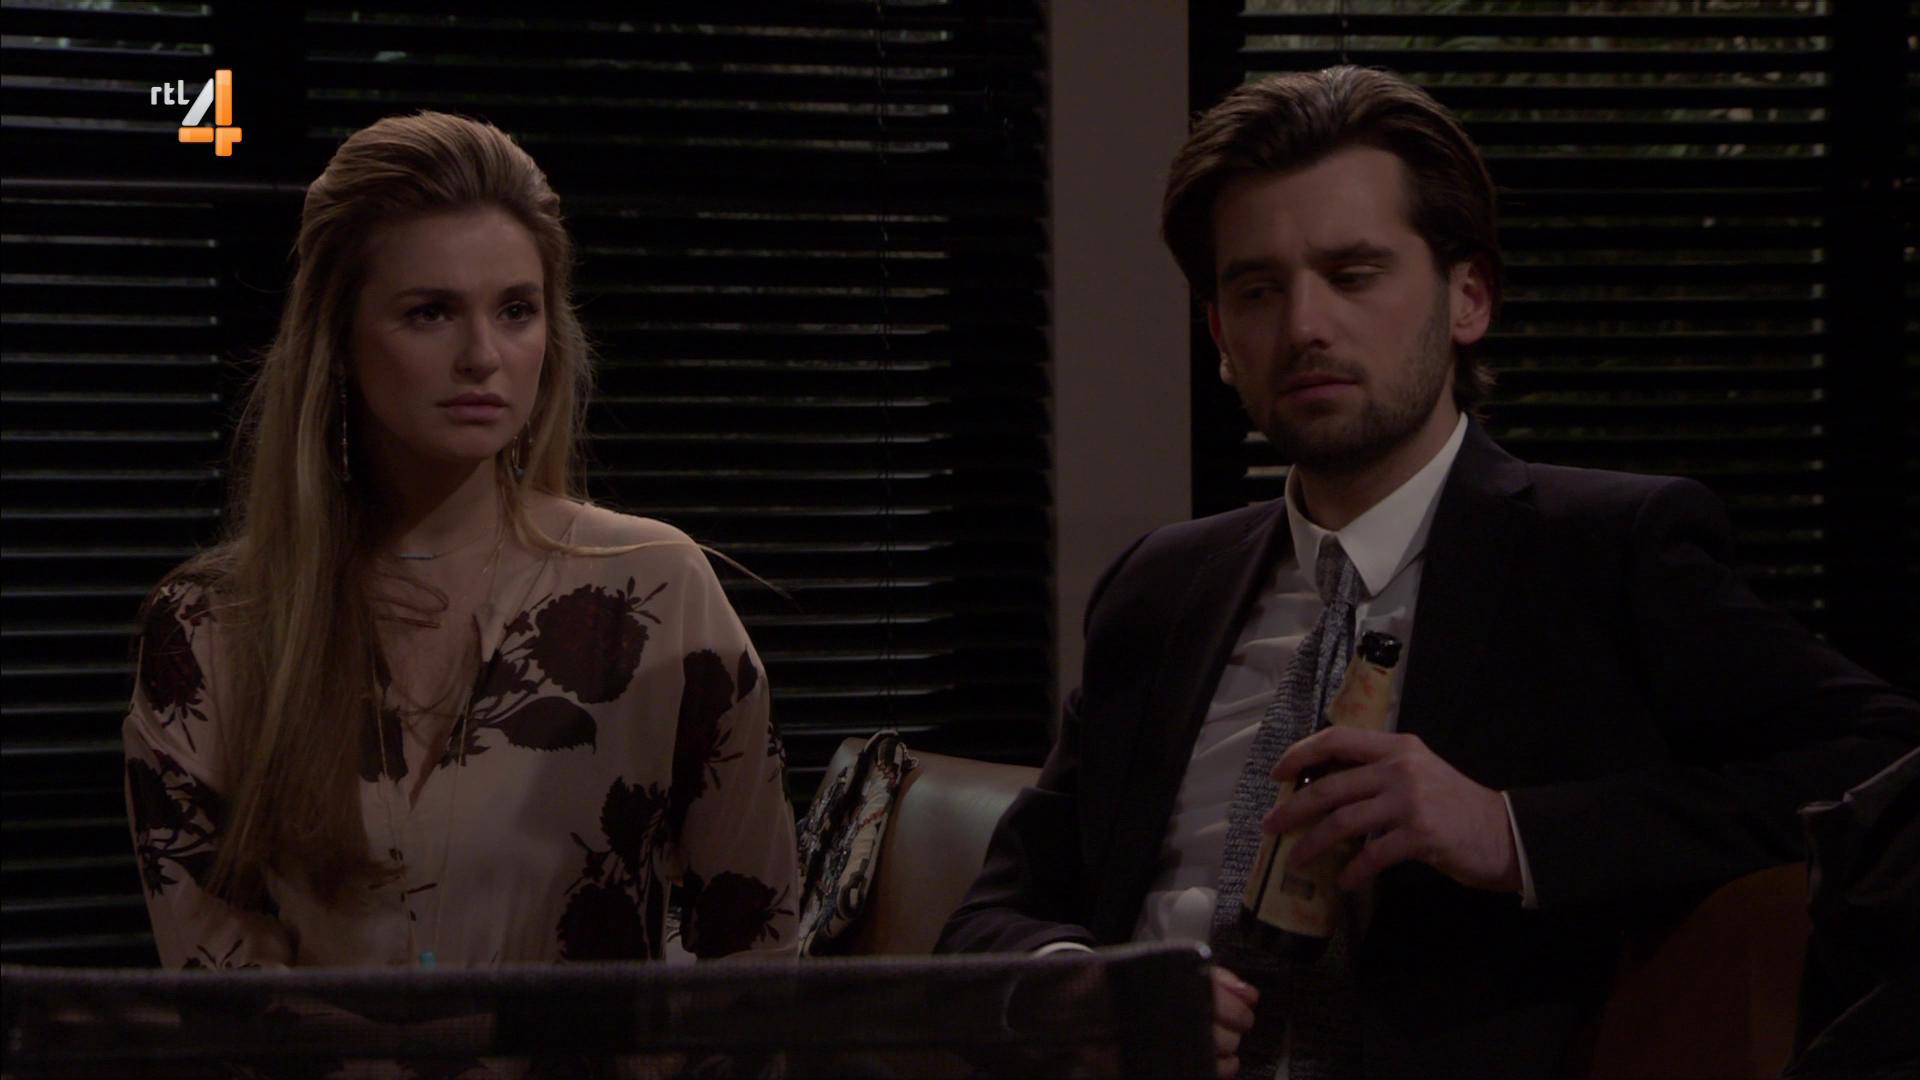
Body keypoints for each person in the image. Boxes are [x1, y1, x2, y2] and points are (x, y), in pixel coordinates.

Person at [936, 66, 1920, 1077]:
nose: (1304, 326)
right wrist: (1075, 989)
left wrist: (1508, 830)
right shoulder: (1160, 585)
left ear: (1469, 298)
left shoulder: (1606, 550)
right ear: (1222, 337)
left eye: (1354, 274)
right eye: (1258, 290)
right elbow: (998, 910)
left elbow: (1886, 762)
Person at [124, 112, 798, 971]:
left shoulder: (655, 590)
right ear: (338, 341)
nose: (483, 355)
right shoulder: (213, 628)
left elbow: (754, 954)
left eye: (516, 310)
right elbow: (217, 984)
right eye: (431, 312)